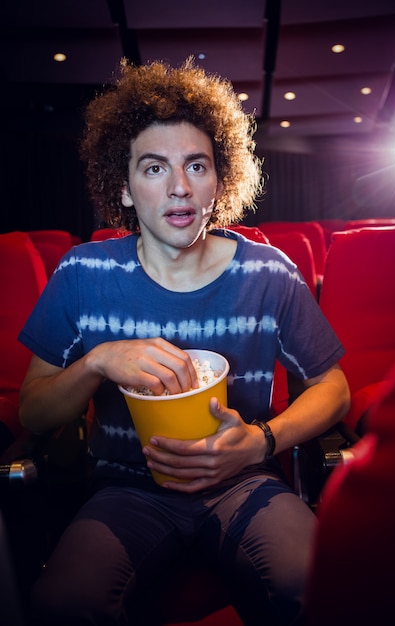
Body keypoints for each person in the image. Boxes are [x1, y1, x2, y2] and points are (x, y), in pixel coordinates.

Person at [18, 58, 350, 626]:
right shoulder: (81, 273)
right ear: (122, 188)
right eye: (154, 168)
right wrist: (97, 362)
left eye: (197, 165)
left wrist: (261, 441)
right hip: (126, 492)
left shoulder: (270, 273)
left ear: (218, 181)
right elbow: (33, 411)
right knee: (62, 604)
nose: (179, 187)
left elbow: (334, 388)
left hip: (245, 481)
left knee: (321, 585)